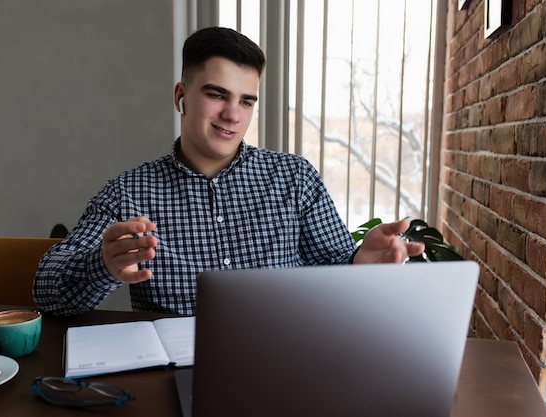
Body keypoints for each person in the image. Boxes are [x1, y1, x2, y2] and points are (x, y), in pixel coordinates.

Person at [33, 26, 424, 316]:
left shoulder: (295, 178)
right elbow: (47, 292)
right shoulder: (127, 193)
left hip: (284, 367)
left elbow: (335, 273)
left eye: (246, 101)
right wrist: (103, 265)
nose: (232, 114)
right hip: (177, 378)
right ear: (181, 97)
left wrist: (360, 264)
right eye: (217, 94)